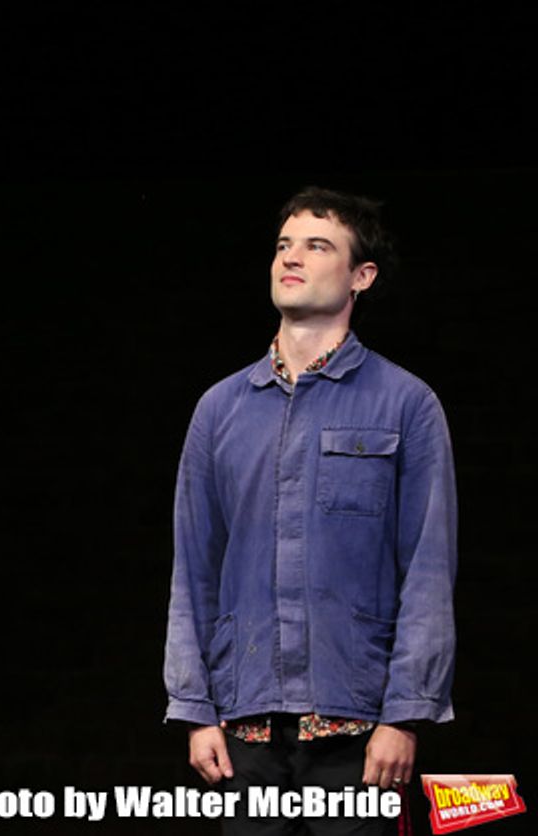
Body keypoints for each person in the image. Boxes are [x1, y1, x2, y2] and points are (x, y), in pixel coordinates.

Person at [162, 187, 457, 835]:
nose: (291, 258)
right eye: (283, 245)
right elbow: (194, 571)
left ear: (361, 276)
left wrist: (405, 714)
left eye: (317, 246)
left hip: (357, 720)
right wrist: (193, 707)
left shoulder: (404, 404)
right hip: (243, 718)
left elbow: (428, 570)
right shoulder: (220, 410)